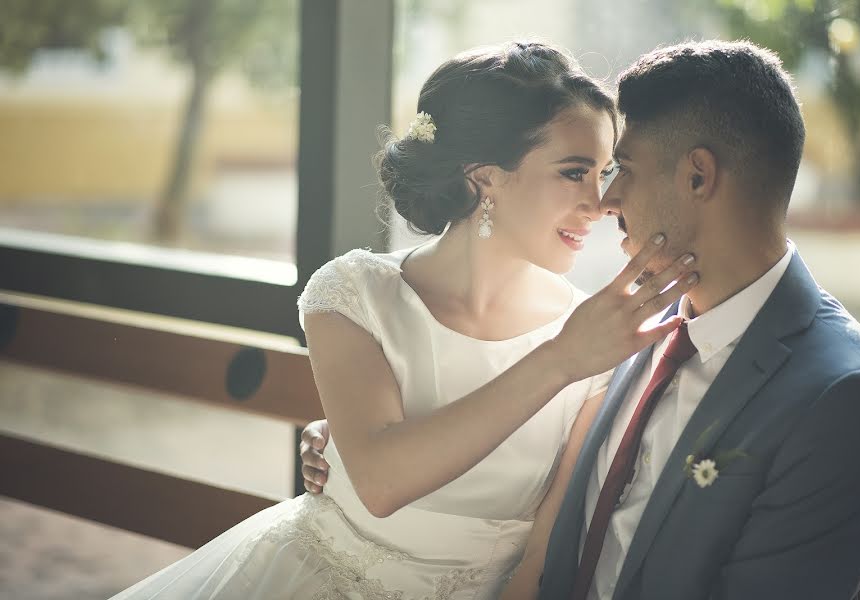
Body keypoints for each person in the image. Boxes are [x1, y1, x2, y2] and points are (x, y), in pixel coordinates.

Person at [302, 40, 860, 600]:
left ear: (698, 176)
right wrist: (355, 431)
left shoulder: (845, 397)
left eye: (622, 170)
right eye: (578, 172)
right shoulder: (622, 328)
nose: (604, 203)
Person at [110, 41, 698, 600]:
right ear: (484, 175)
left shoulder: (587, 329)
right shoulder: (353, 292)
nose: (598, 204)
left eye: (603, 174)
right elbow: (383, 484)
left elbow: (546, 542)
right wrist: (560, 361)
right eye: (574, 172)